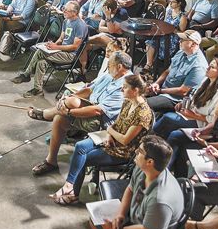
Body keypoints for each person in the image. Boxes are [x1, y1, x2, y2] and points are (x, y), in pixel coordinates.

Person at [89, 135, 184, 229]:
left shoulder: (161, 199)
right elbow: (130, 189)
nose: (135, 152)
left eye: (140, 151)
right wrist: (120, 214)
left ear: (150, 162)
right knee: (96, 219)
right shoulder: (144, 169)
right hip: (138, 219)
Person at [49, 74, 153, 205]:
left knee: (80, 158)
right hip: (112, 138)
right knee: (80, 147)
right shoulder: (127, 101)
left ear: (135, 90)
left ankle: (73, 192)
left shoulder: (143, 113)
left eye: (125, 87)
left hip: (123, 151)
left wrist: (110, 131)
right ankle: (69, 186)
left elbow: (126, 140)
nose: (121, 90)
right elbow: (117, 122)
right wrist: (109, 135)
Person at [29, 52, 132, 176]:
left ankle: (45, 114)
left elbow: (98, 110)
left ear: (119, 67)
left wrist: (69, 111)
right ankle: (51, 161)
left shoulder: (126, 85)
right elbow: (89, 89)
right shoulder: (110, 75)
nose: (108, 66)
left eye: (110, 64)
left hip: (102, 122)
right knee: (59, 117)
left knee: (69, 105)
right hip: (90, 106)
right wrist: (70, 97)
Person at [158, 72, 218, 175]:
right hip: (211, 139)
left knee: (184, 149)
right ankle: (163, 170)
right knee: (176, 135)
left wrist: (207, 144)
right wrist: (201, 131)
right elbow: (214, 124)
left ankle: (174, 175)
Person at [12, 1, 88, 97]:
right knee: (41, 62)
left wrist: (56, 47)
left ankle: (26, 74)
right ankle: (38, 89)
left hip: (71, 55)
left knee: (40, 52)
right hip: (61, 51)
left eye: (66, 10)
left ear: (74, 12)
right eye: (64, 9)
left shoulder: (80, 25)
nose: (63, 11)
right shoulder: (66, 21)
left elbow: (75, 47)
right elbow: (61, 39)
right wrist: (52, 46)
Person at [152, 58, 218, 136]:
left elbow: (212, 119)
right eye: (209, 65)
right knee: (166, 118)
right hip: (190, 114)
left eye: (212, 67)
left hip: (199, 122)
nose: (207, 68)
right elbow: (194, 97)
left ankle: (151, 134)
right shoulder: (205, 81)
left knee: (167, 117)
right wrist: (182, 103)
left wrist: (193, 115)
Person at [146, 30, 208, 114]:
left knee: (143, 105)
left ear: (193, 44)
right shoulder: (181, 52)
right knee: (134, 94)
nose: (180, 41)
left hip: (174, 99)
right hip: (163, 89)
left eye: (183, 40)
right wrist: (156, 83)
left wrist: (160, 91)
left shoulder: (199, 66)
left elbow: (183, 91)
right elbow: (168, 71)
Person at [78, 0, 129, 74]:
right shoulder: (106, 11)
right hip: (106, 38)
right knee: (84, 46)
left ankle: (82, 40)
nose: (106, 12)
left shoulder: (122, 13)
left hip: (119, 41)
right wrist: (111, 28)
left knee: (101, 36)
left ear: (114, 9)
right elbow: (101, 28)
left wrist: (108, 18)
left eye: (108, 12)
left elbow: (112, 31)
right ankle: (82, 71)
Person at [143, 0, 185, 73]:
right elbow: (163, 23)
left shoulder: (182, 17)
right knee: (150, 41)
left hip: (172, 38)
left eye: (173, 2)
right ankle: (149, 64)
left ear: (179, 3)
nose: (170, 4)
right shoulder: (168, 11)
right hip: (163, 34)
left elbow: (182, 33)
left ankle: (155, 66)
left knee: (158, 43)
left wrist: (173, 29)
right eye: (170, 2)